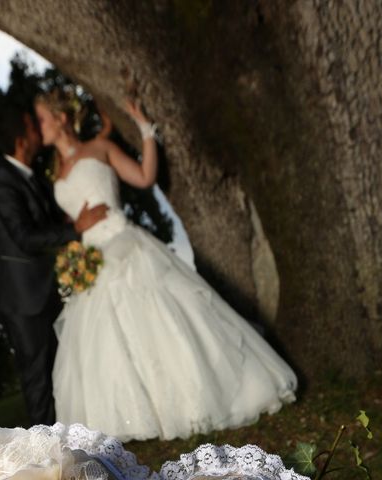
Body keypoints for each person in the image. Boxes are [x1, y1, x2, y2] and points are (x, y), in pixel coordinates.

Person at [34, 88, 298, 441]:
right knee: (104, 340)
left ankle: (189, 400)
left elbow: (144, 178)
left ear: (61, 117)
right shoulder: (57, 172)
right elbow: (75, 215)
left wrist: (145, 130)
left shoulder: (100, 148)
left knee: (158, 321)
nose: (38, 128)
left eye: (41, 119)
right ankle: (131, 415)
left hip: (123, 243)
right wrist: (76, 228)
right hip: (91, 258)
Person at [0, 105, 108, 425]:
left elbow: (47, 223)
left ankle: (67, 442)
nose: (39, 130)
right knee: (38, 378)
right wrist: (76, 228)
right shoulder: (1, 178)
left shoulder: (30, 177)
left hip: (43, 288)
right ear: (21, 139)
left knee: (60, 371)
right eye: (32, 124)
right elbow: (24, 237)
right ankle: (47, 459)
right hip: (21, 297)